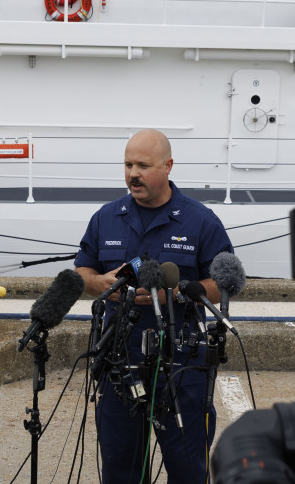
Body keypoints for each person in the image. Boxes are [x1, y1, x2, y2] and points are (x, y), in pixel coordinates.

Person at [75, 129, 232, 484]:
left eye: (143, 165)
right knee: (121, 472)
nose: (133, 173)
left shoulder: (200, 220)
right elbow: (82, 270)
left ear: (168, 166)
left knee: (189, 470)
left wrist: (171, 295)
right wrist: (101, 284)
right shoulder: (106, 217)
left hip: (182, 368)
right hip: (120, 365)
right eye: (128, 164)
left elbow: (224, 282)